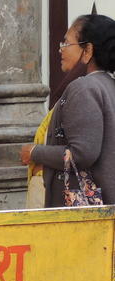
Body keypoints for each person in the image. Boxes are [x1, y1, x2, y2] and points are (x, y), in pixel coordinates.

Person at [20, 14, 115, 207]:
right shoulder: (107, 86)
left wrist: (35, 152)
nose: (60, 49)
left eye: (67, 42)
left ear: (87, 50)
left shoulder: (84, 88)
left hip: (82, 213)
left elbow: (82, 153)